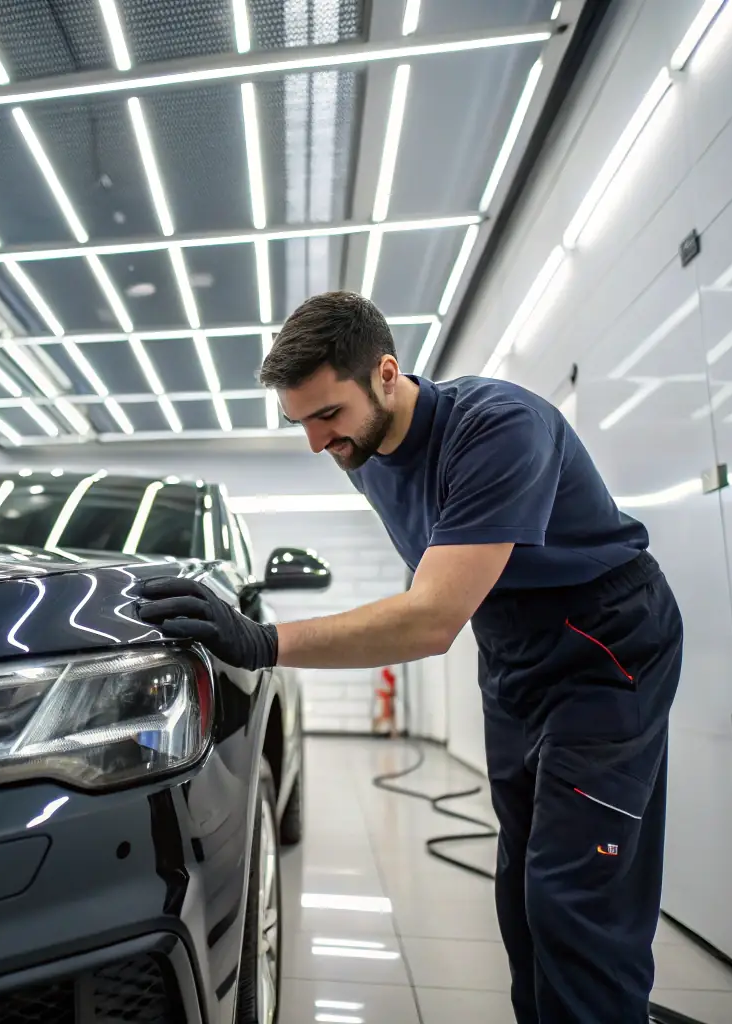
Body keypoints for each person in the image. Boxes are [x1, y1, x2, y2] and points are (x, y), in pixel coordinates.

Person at [136, 291, 683, 1024]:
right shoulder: (361, 454)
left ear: (386, 374)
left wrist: (262, 642)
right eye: (299, 422)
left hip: (606, 644)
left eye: (327, 415)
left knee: (575, 893)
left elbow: (429, 620)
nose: (315, 443)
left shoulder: (498, 428)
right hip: (513, 650)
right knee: (521, 886)